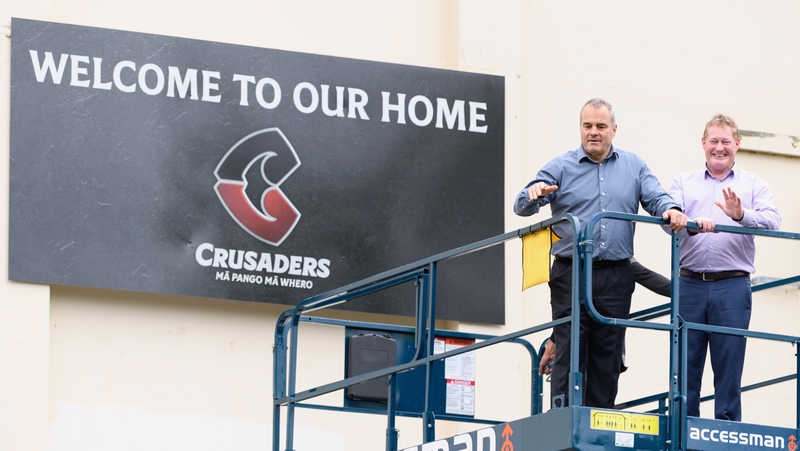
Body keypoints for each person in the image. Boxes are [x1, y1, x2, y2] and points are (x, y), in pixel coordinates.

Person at [514, 98, 688, 409]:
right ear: (580, 128)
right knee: (569, 349)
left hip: (616, 274)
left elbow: (657, 198)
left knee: (608, 351)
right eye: (587, 126)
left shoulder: (634, 166)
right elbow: (522, 204)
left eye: (601, 126)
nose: (593, 132)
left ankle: (600, 419)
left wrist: (672, 210)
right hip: (571, 272)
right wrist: (533, 195)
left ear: (614, 130)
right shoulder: (561, 166)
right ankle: (564, 417)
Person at [668, 114, 781, 421]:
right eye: (714, 141)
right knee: (685, 367)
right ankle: (683, 432)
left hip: (733, 286)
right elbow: (669, 224)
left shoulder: (754, 184)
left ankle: (726, 434)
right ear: (703, 144)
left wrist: (742, 214)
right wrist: (690, 226)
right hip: (690, 284)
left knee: (729, 368)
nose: (719, 148)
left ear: (738, 144)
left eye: (726, 142)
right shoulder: (682, 182)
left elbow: (773, 222)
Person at [539, 257, 671, 376]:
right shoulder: (571, 259)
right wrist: (556, 338)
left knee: (597, 384)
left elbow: (648, 277)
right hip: (586, 343)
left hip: (601, 342)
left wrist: (687, 292)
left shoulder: (618, 258)